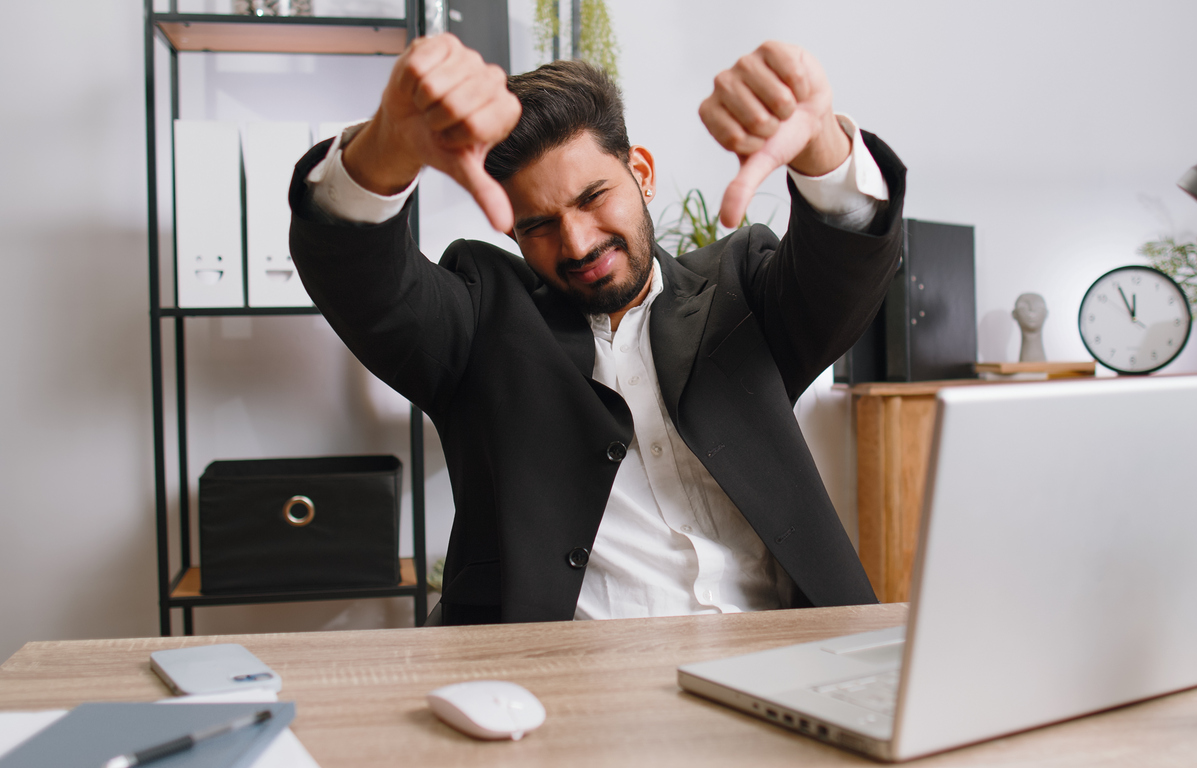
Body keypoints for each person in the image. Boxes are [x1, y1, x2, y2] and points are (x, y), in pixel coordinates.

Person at [287, 34, 907, 625]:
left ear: (641, 172)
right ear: (509, 228)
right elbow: (360, 275)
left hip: (780, 652)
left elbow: (843, 266)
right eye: (539, 225)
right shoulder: (479, 318)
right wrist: (386, 149)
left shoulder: (742, 288)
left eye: (591, 197)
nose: (578, 243)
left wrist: (822, 145)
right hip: (572, 680)